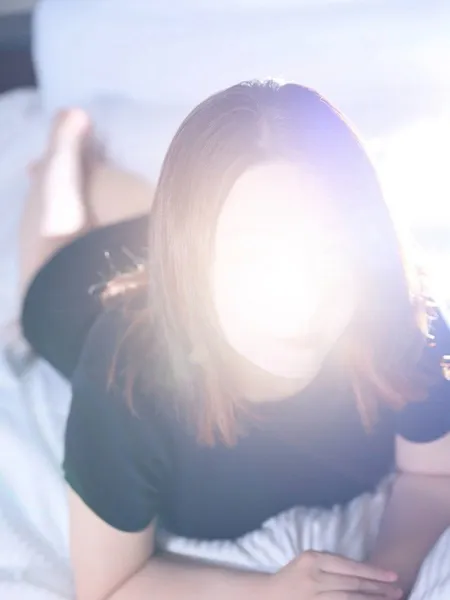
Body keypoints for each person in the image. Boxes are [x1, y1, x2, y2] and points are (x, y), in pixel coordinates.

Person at [20, 81, 450, 600]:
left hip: (192, 235)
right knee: (56, 242)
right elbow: (107, 586)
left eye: (329, 249)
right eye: (254, 260)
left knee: (171, 218)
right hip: (77, 289)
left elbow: (432, 475)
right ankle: (64, 149)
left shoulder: (403, 312)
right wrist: (267, 593)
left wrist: (384, 578)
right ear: (196, 270)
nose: (304, 299)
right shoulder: (128, 373)